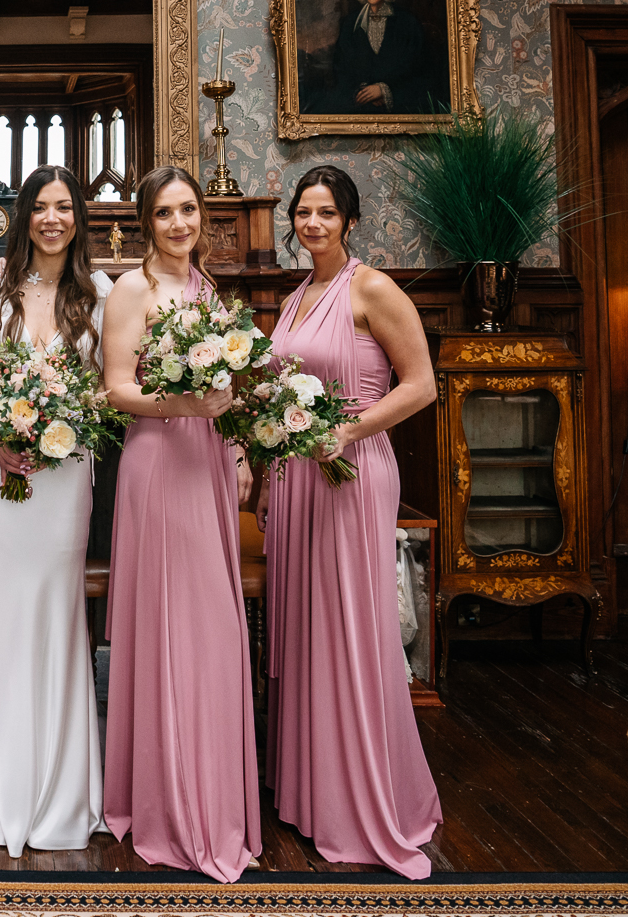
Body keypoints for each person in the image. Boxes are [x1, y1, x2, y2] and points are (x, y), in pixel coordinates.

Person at [260, 165, 442, 878]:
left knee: (350, 630)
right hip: (300, 475)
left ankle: (367, 799)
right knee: (306, 630)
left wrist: (350, 430)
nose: (312, 224)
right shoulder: (295, 296)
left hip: (353, 471)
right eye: (303, 212)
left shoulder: (371, 288)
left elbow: (422, 384)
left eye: (325, 213)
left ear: (350, 221)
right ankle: (313, 793)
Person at [0, 165, 112, 857]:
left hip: (65, 475)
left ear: (78, 217)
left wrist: (59, 427)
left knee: (54, 613)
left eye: (62, 206)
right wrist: (0, 429)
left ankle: (59, 790)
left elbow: (106, 387)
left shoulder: (99, 295)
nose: (50, 218)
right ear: (22, 217)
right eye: (38, 207)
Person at [100, 165, 262, 883]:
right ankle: (168, 799)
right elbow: (117, 389)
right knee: (171, 625)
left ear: (203, 217)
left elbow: (222, 385)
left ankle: (214, 786)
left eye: (188, 210)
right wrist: (186, 413)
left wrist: (233, 446)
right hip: (159, 462)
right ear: (146, 221)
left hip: (205, 460)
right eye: (164, 213)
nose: (178, 224)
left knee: (213, 627)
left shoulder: (207, 290)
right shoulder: (135, 289)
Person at [323, 0, 433, 115]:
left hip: (401, 109)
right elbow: (341, 69)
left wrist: (385, 90)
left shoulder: (406, 22)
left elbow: (418, 69)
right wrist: (363, 92)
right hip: (359, 109)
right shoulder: (350, 24)